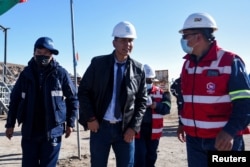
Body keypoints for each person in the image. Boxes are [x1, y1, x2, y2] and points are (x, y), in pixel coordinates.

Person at [177, 12, 250, 167]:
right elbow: (185, 99)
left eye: (186, 36)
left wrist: (230, 131)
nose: (183, 40)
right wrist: (182, 122)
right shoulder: (188, 64)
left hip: (222, 142)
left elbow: (244, 103)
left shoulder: (230, 61)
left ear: (198, 37)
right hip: (194, 142)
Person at [78, 21, 147, 167]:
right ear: (114, 42)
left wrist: (133, 127)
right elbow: (83, 92)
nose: (127, 44)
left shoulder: (138, 70)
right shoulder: (98, 64)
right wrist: (90, 118)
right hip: (100, 128)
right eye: (122, 40)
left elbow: (141, 102)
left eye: (130, 40)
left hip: (125, 130)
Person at [5, 37, 79, 167]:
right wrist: (10, 124)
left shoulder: (60, 74)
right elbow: (15, 99)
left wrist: (71, 123)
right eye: (40, 52)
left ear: (51, 55)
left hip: (52, 131)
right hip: (30, 131)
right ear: (34, 52)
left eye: (47, 53)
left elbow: (73, 98)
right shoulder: (25, 75)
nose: (43, 56)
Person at [134, 64, 171, 167]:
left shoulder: (161, 92)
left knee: (151, 156)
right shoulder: (134, 91)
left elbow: (167, 109)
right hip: (138, 130)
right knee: (139, 156)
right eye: (145, 80)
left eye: (149, 80)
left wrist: (156, 105)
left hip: (154, 130)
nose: (147, 83)